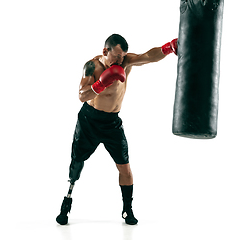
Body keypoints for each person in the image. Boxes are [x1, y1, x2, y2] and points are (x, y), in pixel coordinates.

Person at [56, 34, 177, 225]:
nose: (120, 61)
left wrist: (168, 48)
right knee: (77, 161)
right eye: (117, 56)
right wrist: (101, 84)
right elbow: (81, 95)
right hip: (89, 120)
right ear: (105, 51)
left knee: (125, 166)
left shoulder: (125, 62)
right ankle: (67, 199)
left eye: (123, 57)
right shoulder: (92, 66)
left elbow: (147, 57)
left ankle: (127, 210)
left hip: (112, 123)